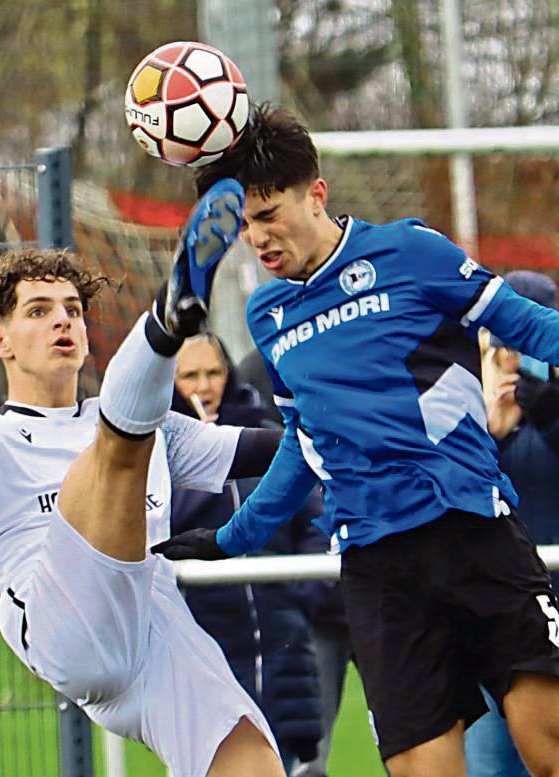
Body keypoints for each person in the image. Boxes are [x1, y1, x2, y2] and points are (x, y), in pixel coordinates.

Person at [153, 104, 559, 777]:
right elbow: (305, 442)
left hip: (472, 531)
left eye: (268, 213)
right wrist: (235, 535)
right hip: (378, 571)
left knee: (546, 749)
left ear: (316, 192)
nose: (256, 237)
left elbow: (529, 326)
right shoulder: (269, 313)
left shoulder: (411, 251)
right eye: (244, 224)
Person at [0, 177, 288, 777]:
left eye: (74, 311)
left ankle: (170, 315)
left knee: (253, 763)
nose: (64, 322)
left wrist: (344, 429)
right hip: (64, 627)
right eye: (40, 311)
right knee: (117, 445)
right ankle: (170, 312)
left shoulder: (152, 428)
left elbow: (263, 450)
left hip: (156, 625)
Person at [172, 332, 325, 775]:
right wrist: (202, 454)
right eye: (190, 375)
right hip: (202, 641)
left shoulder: (265, 432)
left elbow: (312, 516)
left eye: (213, 372)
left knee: (293, 758)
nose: (203, 386)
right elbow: (158, 522)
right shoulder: (153, 447)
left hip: (282, 639)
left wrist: (305, 593)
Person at [237, 346, 351, 777]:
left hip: (377, 589)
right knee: (303, 757)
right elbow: (293, 490)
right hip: (312, 610)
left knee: (415, 741)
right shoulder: (262, 364)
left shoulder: (371, 345)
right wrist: (307, 589)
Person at [465, 270, 559, 777]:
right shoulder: (462, 409)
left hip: (553, 617)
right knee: (490, 767)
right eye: (501, 344)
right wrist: (488, 437)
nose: (512, 359)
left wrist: (549, 415)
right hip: (490, 620)